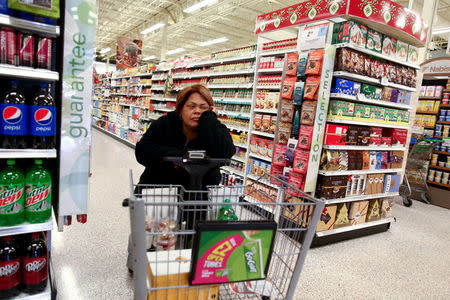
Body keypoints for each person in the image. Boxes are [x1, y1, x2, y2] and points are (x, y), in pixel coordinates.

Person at [135, 84, 236, 189]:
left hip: (200, 196)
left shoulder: (215, 127)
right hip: (161, 193)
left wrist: (209, 119)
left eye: (203, 107)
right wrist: (182, 155)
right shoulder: (165, 124)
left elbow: (227, 153)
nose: (197, 111)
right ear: (180, 109)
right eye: (191, 106)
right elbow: (142, 152)